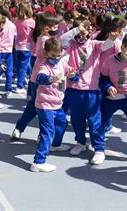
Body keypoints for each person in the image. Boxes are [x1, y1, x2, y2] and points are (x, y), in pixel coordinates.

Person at [63, 17, 118, 157]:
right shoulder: (70, 44)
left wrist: (111, 39)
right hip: (74, 88)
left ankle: (99, 148)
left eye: (86, 30)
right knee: (76, 119)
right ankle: (80, 142)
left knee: (94, 120)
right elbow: (60, 41)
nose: (83, 34)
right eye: (80, 30)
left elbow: (106, 45)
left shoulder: (93, 44)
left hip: (91, 89)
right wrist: (77, 29)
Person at [92, 33, 127, 166]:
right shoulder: (110, 60)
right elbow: (103, 78)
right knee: (99, 122)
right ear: (123, 48)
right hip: (111, 99)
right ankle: (99, 150)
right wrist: (108, 87)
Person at [31, 38, 77, 172]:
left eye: (58, 55)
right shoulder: (44, 65)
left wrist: (73, 75)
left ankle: (55, 145)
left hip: (57, 104)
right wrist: (50, 79)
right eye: (53, 56)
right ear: (46, 53)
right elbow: (40, 77)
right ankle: (38, 162)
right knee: (48, 132)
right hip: (45, 105)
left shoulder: (61, 63)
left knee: (62, 123)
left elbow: (71, 73)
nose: (56, 58)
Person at [14, 2, 35, 94]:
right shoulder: (31, 22)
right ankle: (20, 85)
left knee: (22, 65)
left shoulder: (16, 21)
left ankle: (22, 79)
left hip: (17, 45)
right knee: (24, 66)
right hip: (26, 46)